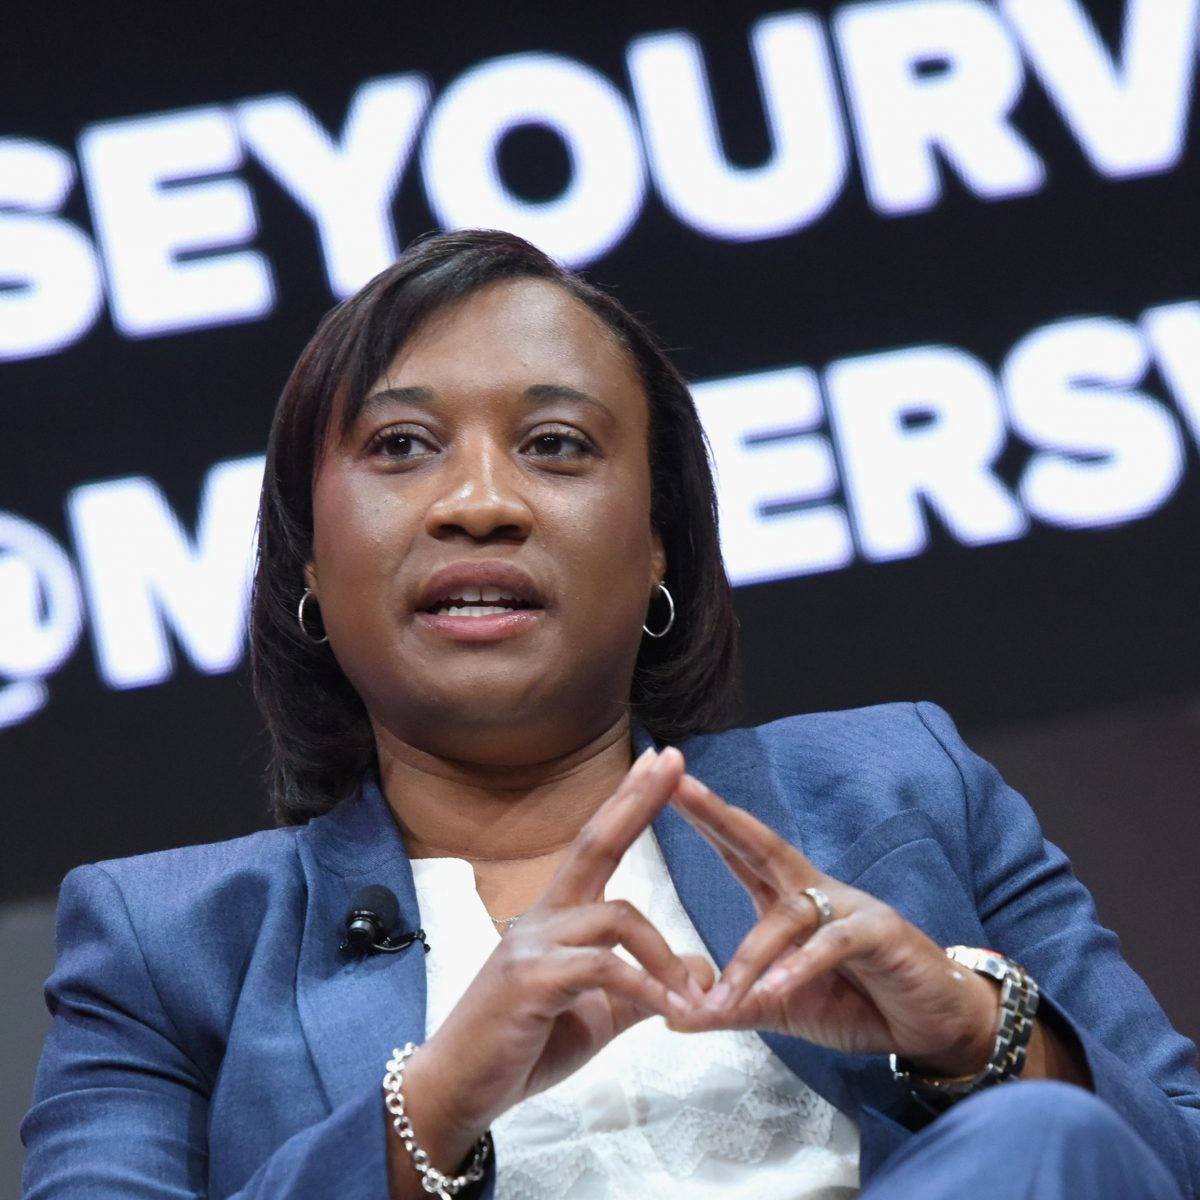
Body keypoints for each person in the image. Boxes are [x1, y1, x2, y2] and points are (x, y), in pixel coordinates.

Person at [21, 230, 1200, 1200]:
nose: (480, 502)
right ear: (310, 568)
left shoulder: (900, 785)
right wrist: (429, 1108)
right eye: (401, 445)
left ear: (656, 549)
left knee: (1043, 1133)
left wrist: (978, 1037)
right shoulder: (168, 944)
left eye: (555, 445)